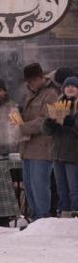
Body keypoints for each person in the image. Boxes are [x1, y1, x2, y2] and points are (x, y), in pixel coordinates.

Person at [16, 63, 58, 221]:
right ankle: (35, 217)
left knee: (39, 185)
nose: (30, 83)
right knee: (29, 186)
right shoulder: (30, 94)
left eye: (33, 80)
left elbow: (45, 120)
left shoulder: (51, 94)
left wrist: (22, 127)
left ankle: (43, 218)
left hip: (42, 148)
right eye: (28, 81)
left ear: (41, 78)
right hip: (27, 148)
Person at [43, 76, 78, 217]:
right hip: (57, 154)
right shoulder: (57, 104)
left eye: (73, 86)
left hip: (74, 155)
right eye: (67, 85)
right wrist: (49, 124)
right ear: (63, 88)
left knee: (74, 187)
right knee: (61, 187)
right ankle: (64, 212)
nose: (70, 88)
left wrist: (71, 123)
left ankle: (75, 212)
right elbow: (45, 130)